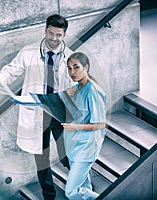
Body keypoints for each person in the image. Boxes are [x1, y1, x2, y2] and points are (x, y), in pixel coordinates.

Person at [0, 14, 73, 200]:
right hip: (36, 113)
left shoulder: (70, 57)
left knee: (69, 155)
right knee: (42, 160)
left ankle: (78, 186)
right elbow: (11, 69)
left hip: (58, 113)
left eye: (58, 35)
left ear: (64, 35)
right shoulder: (29, 52)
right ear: (45, 30)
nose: (54, 38)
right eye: (51, 33)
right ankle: (49, 196)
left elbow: (78, 85)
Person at [61, 52, 107, 200]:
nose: (72, 72)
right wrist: (65, 95)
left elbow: (100, 123)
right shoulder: (75, 88)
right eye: (69, 68)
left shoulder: (93, 91)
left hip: (86, 147)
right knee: (84, 186)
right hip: (73, 146)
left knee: (72, 191)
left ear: (86, 67)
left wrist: (75, 127)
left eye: (76, 67)